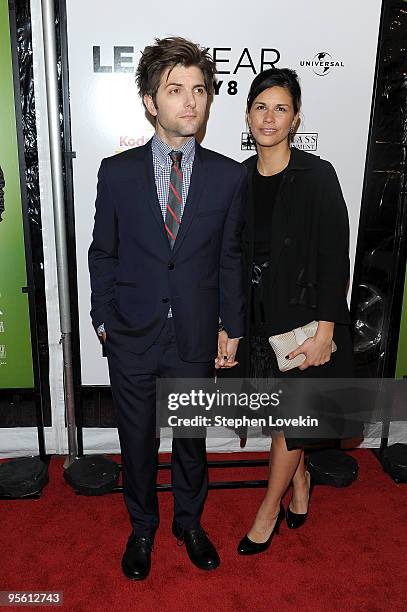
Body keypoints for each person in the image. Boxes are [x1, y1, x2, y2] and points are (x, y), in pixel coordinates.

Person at [88, 36, 246, 580]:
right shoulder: (117, 172)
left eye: (199, 89)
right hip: (131, 333)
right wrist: (104, 319)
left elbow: (229, 259)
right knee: (136, 442)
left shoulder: (230, 176)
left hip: (196, 335)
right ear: (151, 102)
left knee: (192, 441)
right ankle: (141, 527)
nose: (191, 101)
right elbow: (102, 252)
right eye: (176, 90)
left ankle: (189, 522)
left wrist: (233, 326)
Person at [235, 68, 353, 555]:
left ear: (296, 118)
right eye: (261, 107)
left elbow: (334, 255)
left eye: (280, 108)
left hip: (304, 323)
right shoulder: (236, 178)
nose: (270, 117)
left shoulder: (317, 175)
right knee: (278, 418)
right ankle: (300, 483)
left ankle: (268, 511)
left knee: (292, 421)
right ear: (247, 116)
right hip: (259, 322)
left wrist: (328, 329)